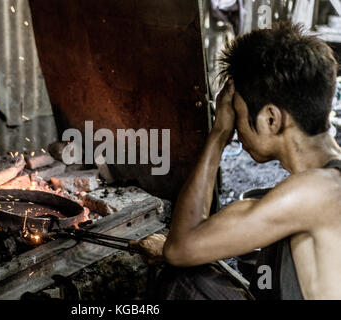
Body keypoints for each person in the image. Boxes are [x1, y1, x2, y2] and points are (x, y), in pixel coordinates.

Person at [130, 22, 341, 300]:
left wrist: (218, 135)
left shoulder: (315, 193)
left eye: (236, 113)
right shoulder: (324, 181)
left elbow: (179, 248)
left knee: (182, 280)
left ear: (270, 119)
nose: (234, 126)